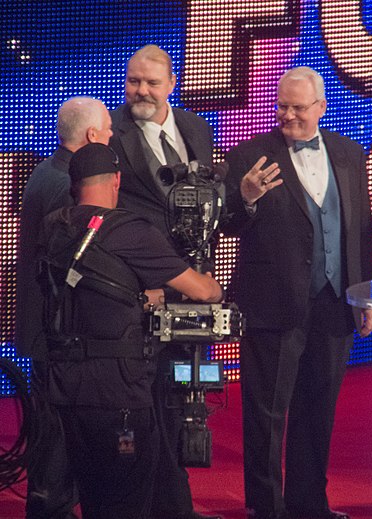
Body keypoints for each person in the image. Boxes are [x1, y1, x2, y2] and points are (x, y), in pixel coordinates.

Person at [36, 142, 223, 519]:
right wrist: (206, 283)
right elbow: (204, 292)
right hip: (118, 395)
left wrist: (139, 296)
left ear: (74, 184)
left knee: (90, 497)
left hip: (63, 391)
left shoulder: (53, 225)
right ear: (117, 179)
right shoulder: (131, 231)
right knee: (126, 502)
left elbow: (92, 288)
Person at [223, 66, 372, 519]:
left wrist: (363, 293)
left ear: (321, 108)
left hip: (334, 303)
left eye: (298, 107)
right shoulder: (250, 154)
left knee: (318, 410)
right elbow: (226, 224)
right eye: (282, 106)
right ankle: (266, 509)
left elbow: (359, 230)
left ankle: (309, 504)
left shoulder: (349, 154)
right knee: (266, 414)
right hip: (272, 305)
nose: (288, 115)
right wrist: (245, 196)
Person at [109, 45, 220, 519]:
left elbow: (209, 209)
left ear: (172, 84)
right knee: (148, 405)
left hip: (194, 289)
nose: (142, 91)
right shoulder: (111, 134)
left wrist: (245, 198)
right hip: (145, 296)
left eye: (152, 83)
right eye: (134, 81)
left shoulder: (196, 128)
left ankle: (176, 503)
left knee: (185, 398)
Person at [15, 96, 113, 519]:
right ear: (92, 136)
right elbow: (67, 263)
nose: (111, 137)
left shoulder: (45, 170)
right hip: (56, 332)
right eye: (108, 131)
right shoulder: (64, 185)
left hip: (44, 328)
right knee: (56, 437)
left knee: (50, 432)